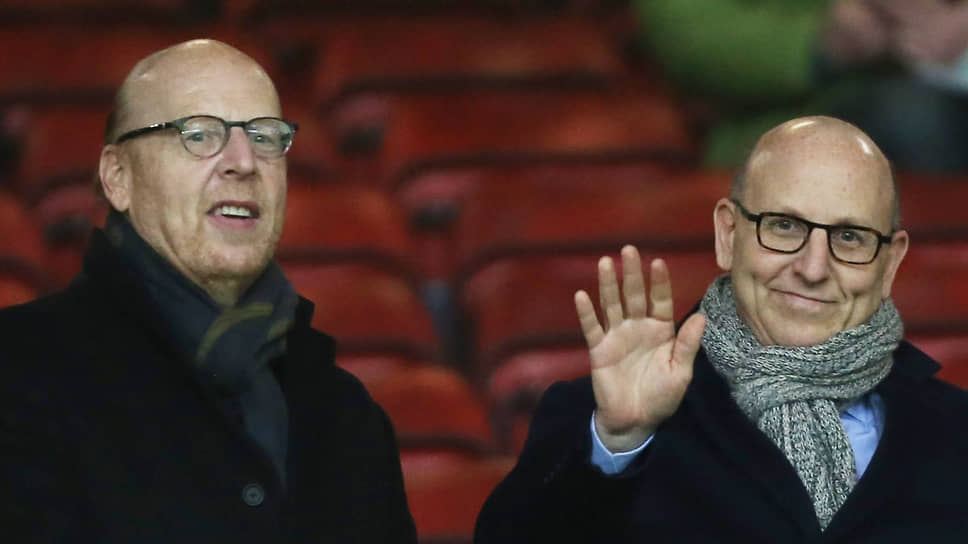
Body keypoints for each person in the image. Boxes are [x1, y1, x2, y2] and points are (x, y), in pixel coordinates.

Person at [475, 116, 968, 542]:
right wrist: (619, 442)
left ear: (890, 263)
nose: (813, 268)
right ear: (728, 234)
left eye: (850, 237)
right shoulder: (605, 418)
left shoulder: (954, 430)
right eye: (784, 226)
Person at [0, 40, 416, 542]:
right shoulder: (16, 369)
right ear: (117, 177)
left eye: (265, 137)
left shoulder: (345, 412)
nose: (244, 161)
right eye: (198, 134)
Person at [637, 0, 968, 173]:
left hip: (934, 85)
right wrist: (822, 43)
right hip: (786, 121)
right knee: (915, 118)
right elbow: (694, 44)